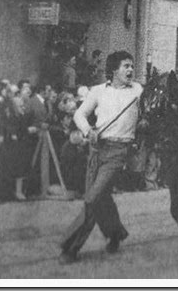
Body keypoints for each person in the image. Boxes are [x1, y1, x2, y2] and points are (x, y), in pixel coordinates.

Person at [59, 50, 143, 264]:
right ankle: (116, 234)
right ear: (114, 69)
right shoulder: (97, 91)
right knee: (101, 197)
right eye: (126, 66)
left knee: (92, 197)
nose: (130, 70)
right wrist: (88, 131)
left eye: (132, 66)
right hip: (96, 150)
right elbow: (79, 115)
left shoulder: (138, 91)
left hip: (118, 152)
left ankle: (70, 247)